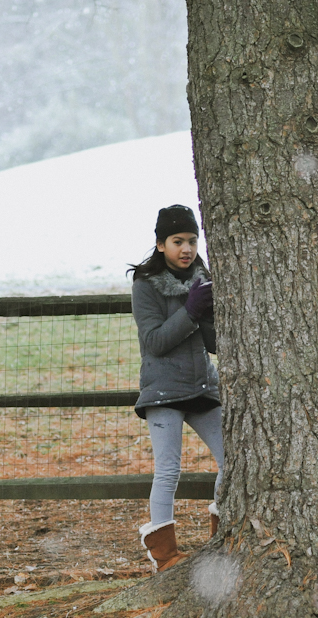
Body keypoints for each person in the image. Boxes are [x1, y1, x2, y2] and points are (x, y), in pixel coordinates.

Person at [127, 204, 224, 573]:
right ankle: (165, 558)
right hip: (163, 390)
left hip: (202, 386)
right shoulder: (144, 285)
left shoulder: (203, 278)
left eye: (192, 241)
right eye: (177, 241)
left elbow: (214, 343)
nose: (186, 249)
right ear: (160, 244)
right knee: (168, 469)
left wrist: (212, 309)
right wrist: (192, 310)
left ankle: (223, 537)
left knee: (233, 458)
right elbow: (155, 342)